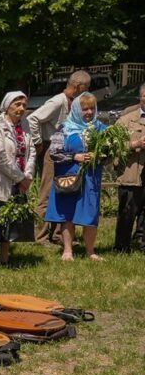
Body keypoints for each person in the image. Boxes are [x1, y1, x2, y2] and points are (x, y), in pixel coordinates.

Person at [27, 70, 91, 245]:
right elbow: (33, 118)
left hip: (66, 151)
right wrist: (38, 142)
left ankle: (58, 234)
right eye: (86, 88)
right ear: (78, 86)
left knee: (63, 189)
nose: (87, 92)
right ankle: (40, 236)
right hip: (51, 149)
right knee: (47, 192)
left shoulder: (73, 102)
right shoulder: (58, 101)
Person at [46, 93, 107, 261]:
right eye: (84, 108)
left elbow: (110, 152)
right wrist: (75, 157)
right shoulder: (65, 128)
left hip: (91, 178)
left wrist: (99, 155)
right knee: (68, 212)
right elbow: (54, 153)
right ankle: (67, 250)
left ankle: (90, 251)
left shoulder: (101, 128)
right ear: (76, 110)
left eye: (91, 108)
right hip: (69, 177)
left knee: (90, 213)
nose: (88, 112)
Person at [0, 91, 35, 270]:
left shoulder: (25, 124)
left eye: (24, 106)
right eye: (17, 105)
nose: (21, 109)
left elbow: (31, 151)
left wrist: (27, 175)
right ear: (7, 105)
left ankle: (4, 258)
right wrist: (20, 178)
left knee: (10, 219)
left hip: (20, 179)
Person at [113, 83, 145, 253]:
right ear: (140, 97)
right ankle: (121, 247)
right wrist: (135, 144)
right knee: (127, 212)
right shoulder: (126, 120)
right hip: (130, 174)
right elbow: (113, 146)